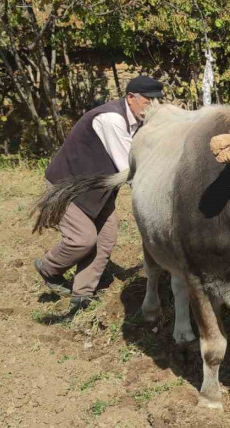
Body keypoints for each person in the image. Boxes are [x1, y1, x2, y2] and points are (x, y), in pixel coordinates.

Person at [34, 76, 164, 312]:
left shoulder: (140, 121)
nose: (153, 107)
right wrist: (160, 199)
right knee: (82, 239)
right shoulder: (111, 119)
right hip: (68, 186)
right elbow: (129, 168)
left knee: (105, 238)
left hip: (98, 190)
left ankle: (82, 294)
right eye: (148, 101)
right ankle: (48, 268)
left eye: (157, 101)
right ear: (131, 97)